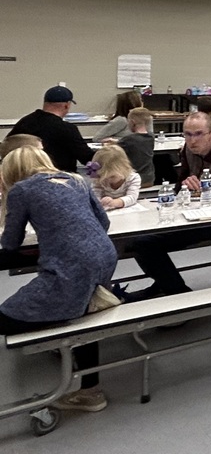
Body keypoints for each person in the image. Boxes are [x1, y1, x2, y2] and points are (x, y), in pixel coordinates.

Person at [0, 146, 118, 413]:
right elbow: (103, 222)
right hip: (103, 257)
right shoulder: (76, 180)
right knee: (86, 310)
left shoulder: (22, 190)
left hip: (73, 267)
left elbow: (10, 243)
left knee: (6, 318)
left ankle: (62, 343)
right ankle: (90, 388)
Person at [125, 113, 211, 299]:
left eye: (198, 134)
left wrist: (198, 190)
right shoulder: (188, 151)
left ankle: (178, 294)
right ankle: (165, 283)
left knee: (145, 243)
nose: (192, 140)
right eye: (187, 134)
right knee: (136, 236)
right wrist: (186, 185)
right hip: (187, 212)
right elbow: (178, 186)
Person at [9, 86, 93, 173]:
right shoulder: (66, 129)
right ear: (66, 106)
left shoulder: (24, 122)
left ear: (45, 102)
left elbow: (8, 146)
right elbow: (86, 157)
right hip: (60, 178)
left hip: (22, 176)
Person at [89, 144, 141, 209]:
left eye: (112, 177)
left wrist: (115, 202)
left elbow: (132, 197)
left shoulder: (133, 178)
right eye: (103, 177)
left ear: (124, 168)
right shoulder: (99, 179)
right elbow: (94, 196)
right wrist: (100, 201)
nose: (108, 180)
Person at [119, 107, 156, 187]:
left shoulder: (128, 140)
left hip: (133, 179)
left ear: (132, 122)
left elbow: (115, 150)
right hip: (149, 178)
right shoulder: (151, 137)